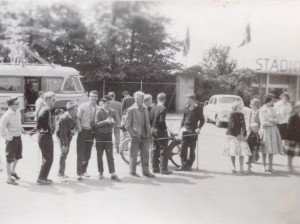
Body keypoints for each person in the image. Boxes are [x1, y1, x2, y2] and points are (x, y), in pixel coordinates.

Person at [124, 91, 155, 178]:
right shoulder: (130, 110)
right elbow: (127, 125)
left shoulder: (145, 109)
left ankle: (146, 172)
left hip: (145, 135)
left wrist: (149, 134)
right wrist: (133, 134)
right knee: (133, 154)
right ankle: (132, 172)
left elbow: (148, 122)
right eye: (136, 98)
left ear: (142, 99)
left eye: (139, 98)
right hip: (136, 136)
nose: (137, 100)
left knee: (145, 154)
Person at [94, 96, 121, 181]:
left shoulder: (112, 111)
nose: (109, 105)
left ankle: (113, 173)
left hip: (108, 135)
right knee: (99, 154)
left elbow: (116, 122)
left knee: (110, 154)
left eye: (110, 103)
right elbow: (96, 124)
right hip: (99, 135)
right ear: (103, 103)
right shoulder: (99, 111)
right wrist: (105, 121)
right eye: (107, 103)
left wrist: (113, 121)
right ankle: (100, 172)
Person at [0, 96, 25, 185]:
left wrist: (22, 129)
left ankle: (13, 171)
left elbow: (19, 123)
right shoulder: (6, 116)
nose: (19, 105)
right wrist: (8, 137)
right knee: (9, 158)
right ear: (10, 105)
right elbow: (1, 130)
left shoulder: (17, 111)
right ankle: (8, 178)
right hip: (12, 139)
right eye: (17, 104)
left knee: (17, 156)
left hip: (18, 137)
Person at [178, 94, 205, 171]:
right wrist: (181, 127)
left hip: (193, 131)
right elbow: (183, 119)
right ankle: (183, 165)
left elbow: (202, 120)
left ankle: (189, 165)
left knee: (192, 149)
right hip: (185, 130)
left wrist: (199, 128)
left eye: (187, 99)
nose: (185, 101)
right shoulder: (186, 108)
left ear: (191, 100)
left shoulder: (199, 109)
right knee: (183, 148)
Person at [76, 90, 98, 180]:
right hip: (83, 131)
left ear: (97, 98)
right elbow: (77, 118)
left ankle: (84, 171)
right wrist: (80, 129)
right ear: (89, 97)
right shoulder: (83, 106)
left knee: (88, 154)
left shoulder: (98, 108)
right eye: (91, 96)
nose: (93, 98)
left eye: (95, 97)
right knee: (80, 153)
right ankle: (79, 173)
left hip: (91, 133)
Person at [223, 101, 251, 174]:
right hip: (233, 135)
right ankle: (233, 167)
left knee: (242, 152)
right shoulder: (232, 114)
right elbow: (231, 126)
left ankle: (241, 168)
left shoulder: (241, 114)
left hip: (241, 135)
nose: (241, 107)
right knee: (233, 151)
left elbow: (244, 125)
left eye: (241, 105)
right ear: (235, 106)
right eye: (239, 106)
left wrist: (245, 134)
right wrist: (237, 134)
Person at [259, 93, 282, 173]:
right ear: (268, 100)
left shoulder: (273, 109)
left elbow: (278, 120)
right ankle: (264, 166)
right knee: (265, 149)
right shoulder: (262, 109)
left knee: (271, 150)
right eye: (272, 100)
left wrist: (270, 119)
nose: (273, 102)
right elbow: (263, 123)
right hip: (265, 131)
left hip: (273, 131)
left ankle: (270, 167)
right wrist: (273, 121)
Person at [36, 91, 56, 185]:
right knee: (48, 158)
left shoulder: (43, 107)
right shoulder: (46, 108)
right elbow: (40, 118)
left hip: (42, 136)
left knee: (46, 157)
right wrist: (46, 128)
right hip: (45, 136)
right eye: (53, 99)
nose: (54, 101)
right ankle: (42, 178)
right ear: (47, 99)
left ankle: (42, 177)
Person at [55, 101, 77, 182]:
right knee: (64, 152)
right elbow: (62, 133)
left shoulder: (73, 115)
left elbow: (73, 125)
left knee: (66, 153)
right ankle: (61, 173)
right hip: (61, 135)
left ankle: (61, 172)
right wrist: (65, 145)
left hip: (67, 134)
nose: (77, 110)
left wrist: (72, 131)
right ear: (70, 110)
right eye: (75, 109)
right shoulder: (64, 118)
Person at [150, 93, 172, 174]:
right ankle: (163, 169)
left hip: (153, 129)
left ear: (157, 99)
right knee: (164, 149)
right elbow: (162, 121)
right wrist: (165, 129)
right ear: (164, 99)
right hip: (160, 131)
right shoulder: (163, 108)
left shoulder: (153, 108)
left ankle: (155, 168)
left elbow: (150, 120)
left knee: (155, 149)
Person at [284, 101, 300, 173]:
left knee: (293, 152)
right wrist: (292, 138)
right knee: (290, 152)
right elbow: (290, 128)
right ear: (296, 108)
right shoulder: (292, 116)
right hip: (291, 137)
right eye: (299, 108)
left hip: (298, 137)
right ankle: (289, 166)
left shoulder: (298, 115)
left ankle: (290, 165)